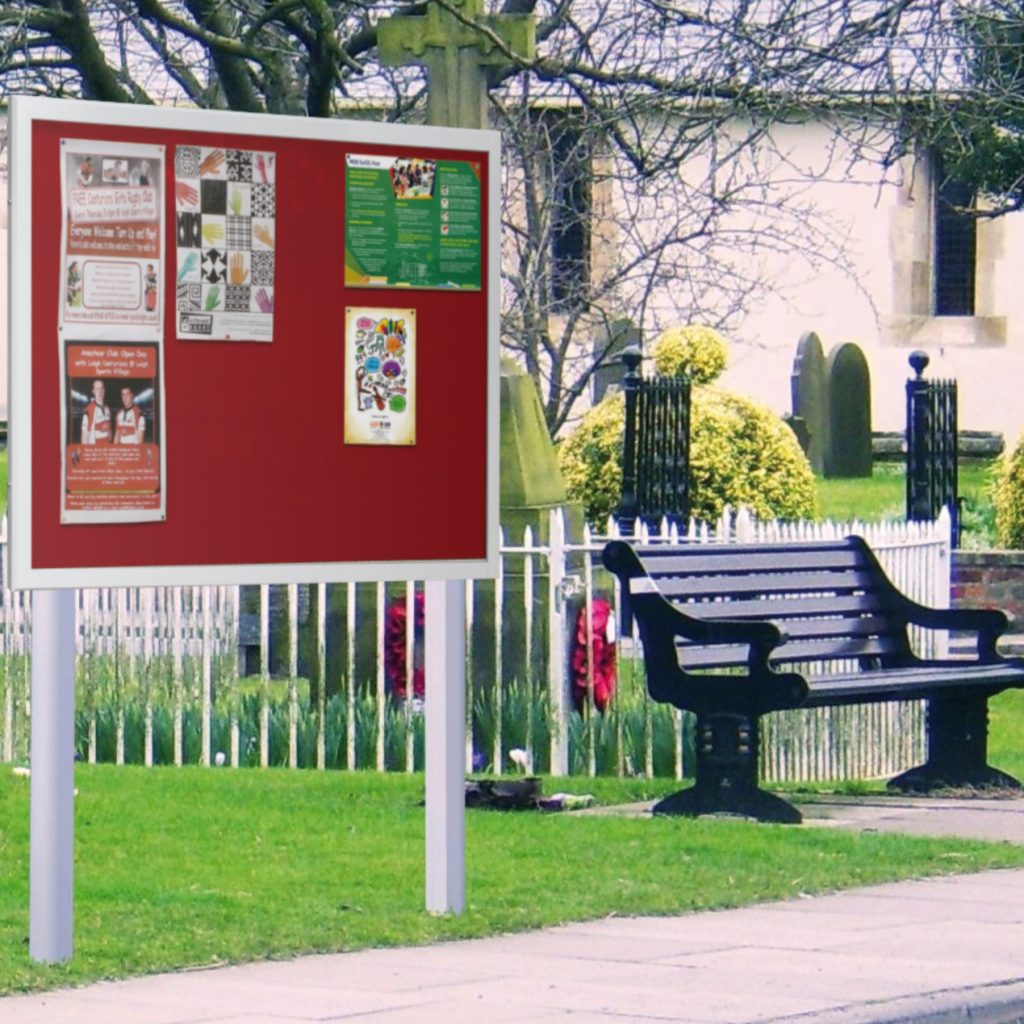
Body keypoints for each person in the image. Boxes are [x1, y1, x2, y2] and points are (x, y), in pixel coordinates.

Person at [81, 379, 112, 444]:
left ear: (104, 390)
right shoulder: (88, 410)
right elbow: (84, 435)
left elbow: (109, 429)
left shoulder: (107, 409)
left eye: (101, 388)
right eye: (97, 389)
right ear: (93, 391)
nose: (100, 392)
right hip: (95, 449)